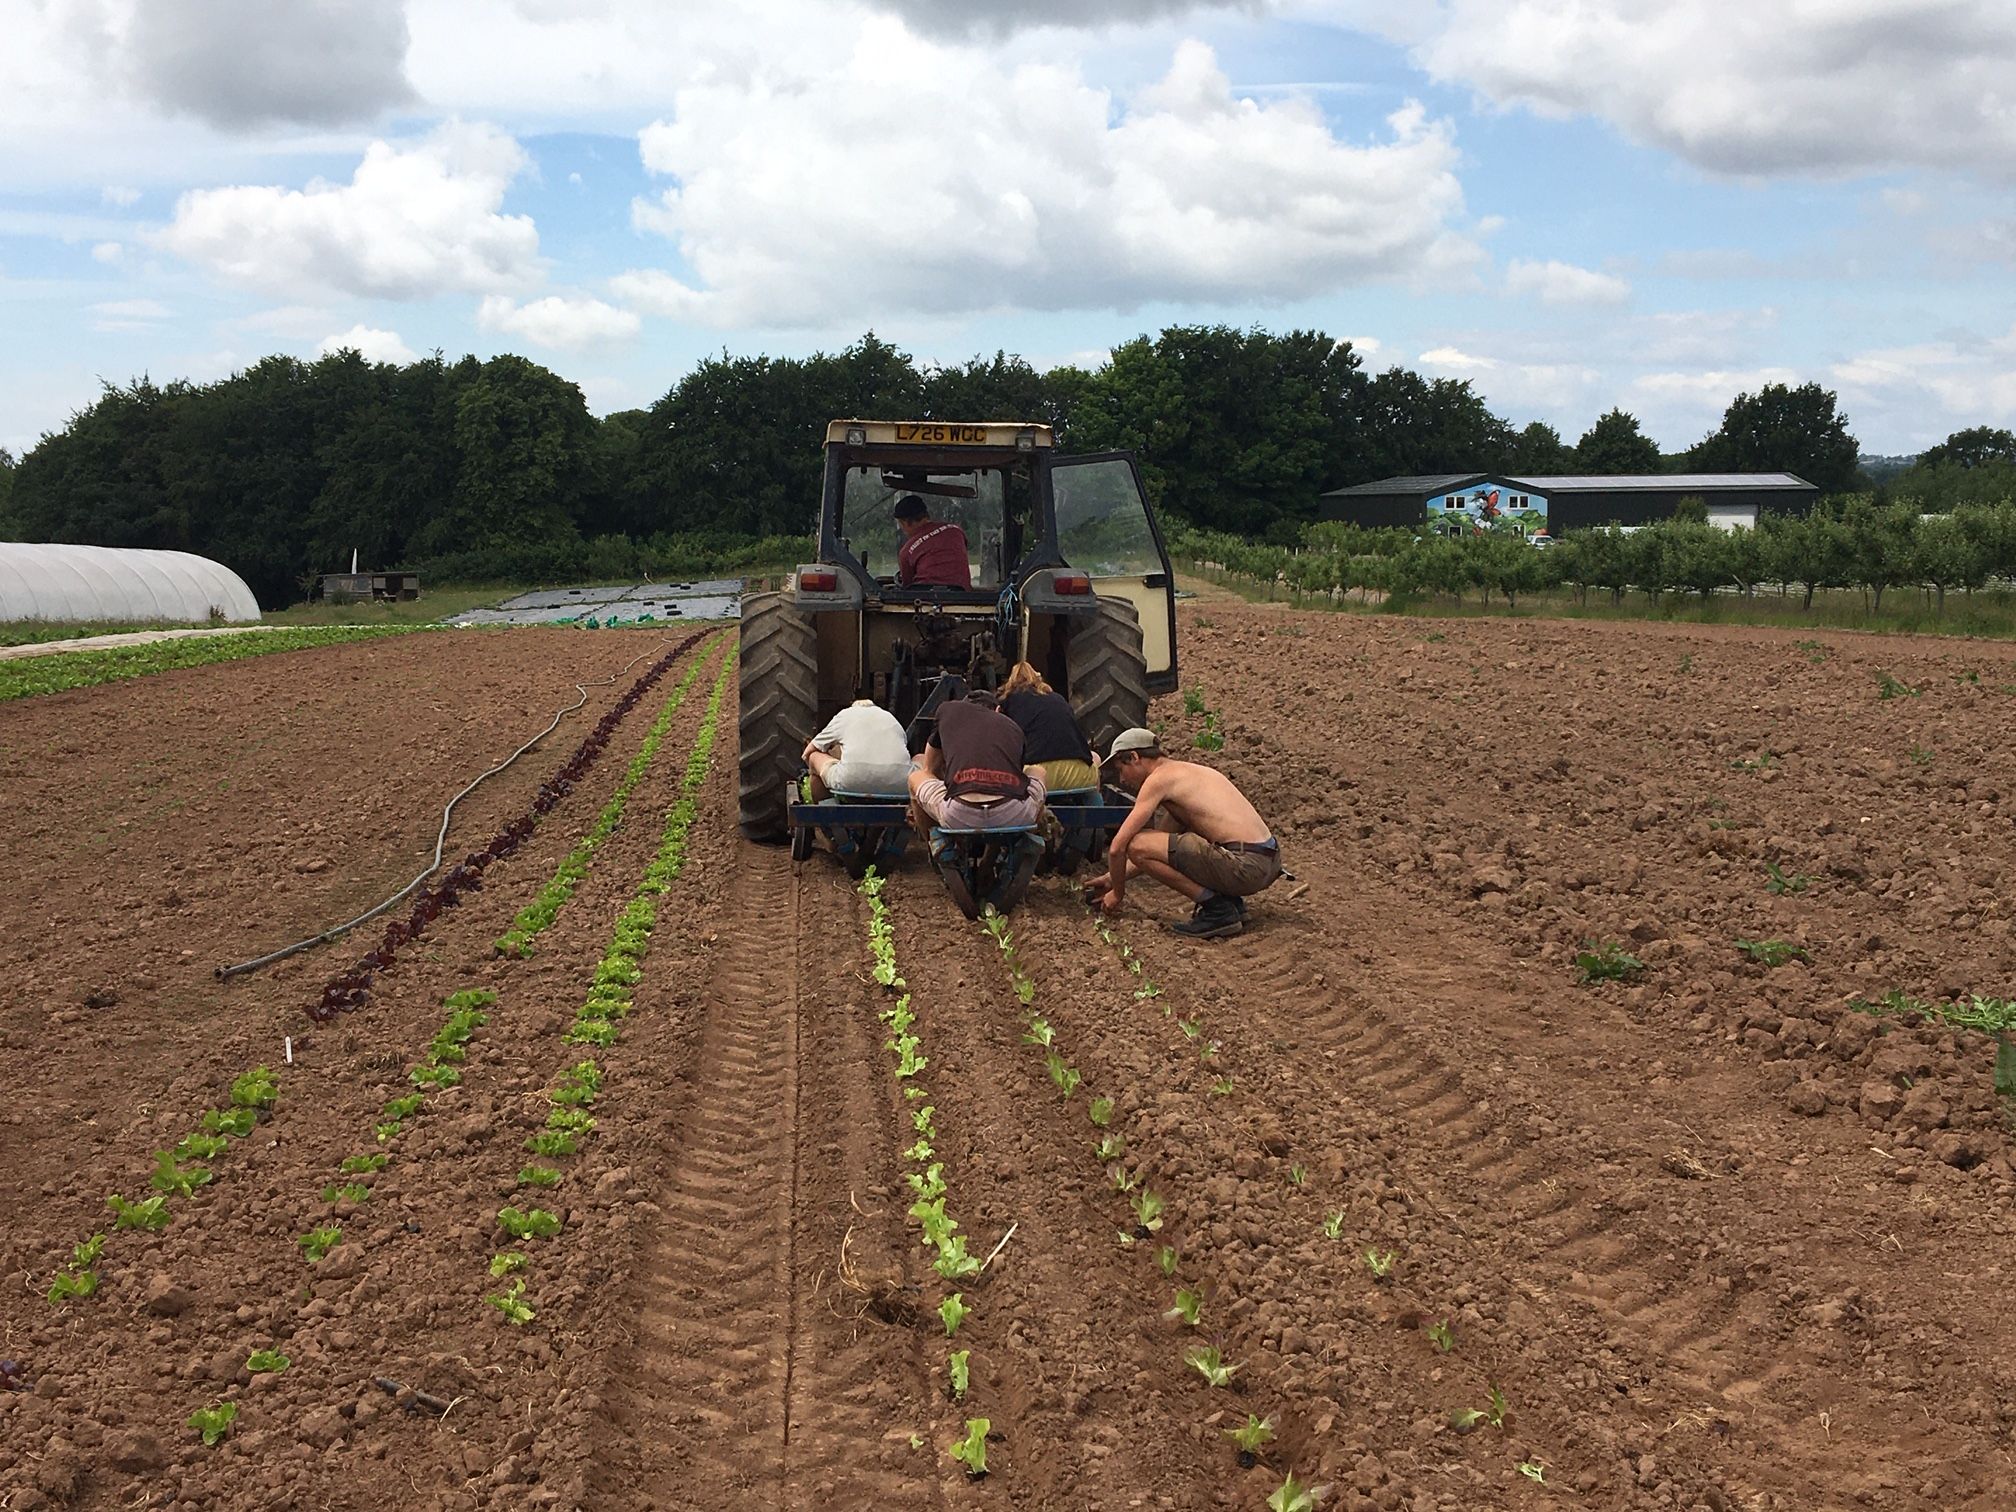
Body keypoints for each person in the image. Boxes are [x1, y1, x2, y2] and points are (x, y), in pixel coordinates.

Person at [1081, 728, 1280, 939]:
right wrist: (1112, 878)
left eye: (1122, 769)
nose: (1122, 779)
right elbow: (1157, 851)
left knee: (1137, 843)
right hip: (1266, 862)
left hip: (1245, 866)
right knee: (1154, 845)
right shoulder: (1187, 773)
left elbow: (1118, 848)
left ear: (1134, 757)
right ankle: (1231, 903)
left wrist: (1118, 894)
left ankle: (1218, 909)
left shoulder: (1159, 779)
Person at [908, 691, 1048, 836]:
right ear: (998, 710)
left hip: (959, 815)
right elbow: (1019, 780)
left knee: (916, 777)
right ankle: (1028, 836)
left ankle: (936, 841)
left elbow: (930, 769)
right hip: (1013, 815)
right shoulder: (1013, 727)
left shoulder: (948, 711)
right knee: (1038, 771)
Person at [999, 661, 1096, 792]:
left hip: (1040, 776)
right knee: (1095, 757)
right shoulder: (1058, 698)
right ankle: (1095, 808)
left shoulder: (1007, 702)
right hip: (1078, 775)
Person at [802, 698, 911, 799]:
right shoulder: (890, 717)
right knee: (920, 757)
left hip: (850, 780)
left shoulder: (845, 715)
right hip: (902, 783)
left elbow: (808, 752)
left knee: (814, 756)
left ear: (853, 707)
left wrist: (817, 771)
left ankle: (822, 812)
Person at [894, 494, 972, 589]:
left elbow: (907, 586)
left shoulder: (907, 552)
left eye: (901, 525)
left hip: (922, 598)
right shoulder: (956, 531)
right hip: (963, 597)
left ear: (905, 522)